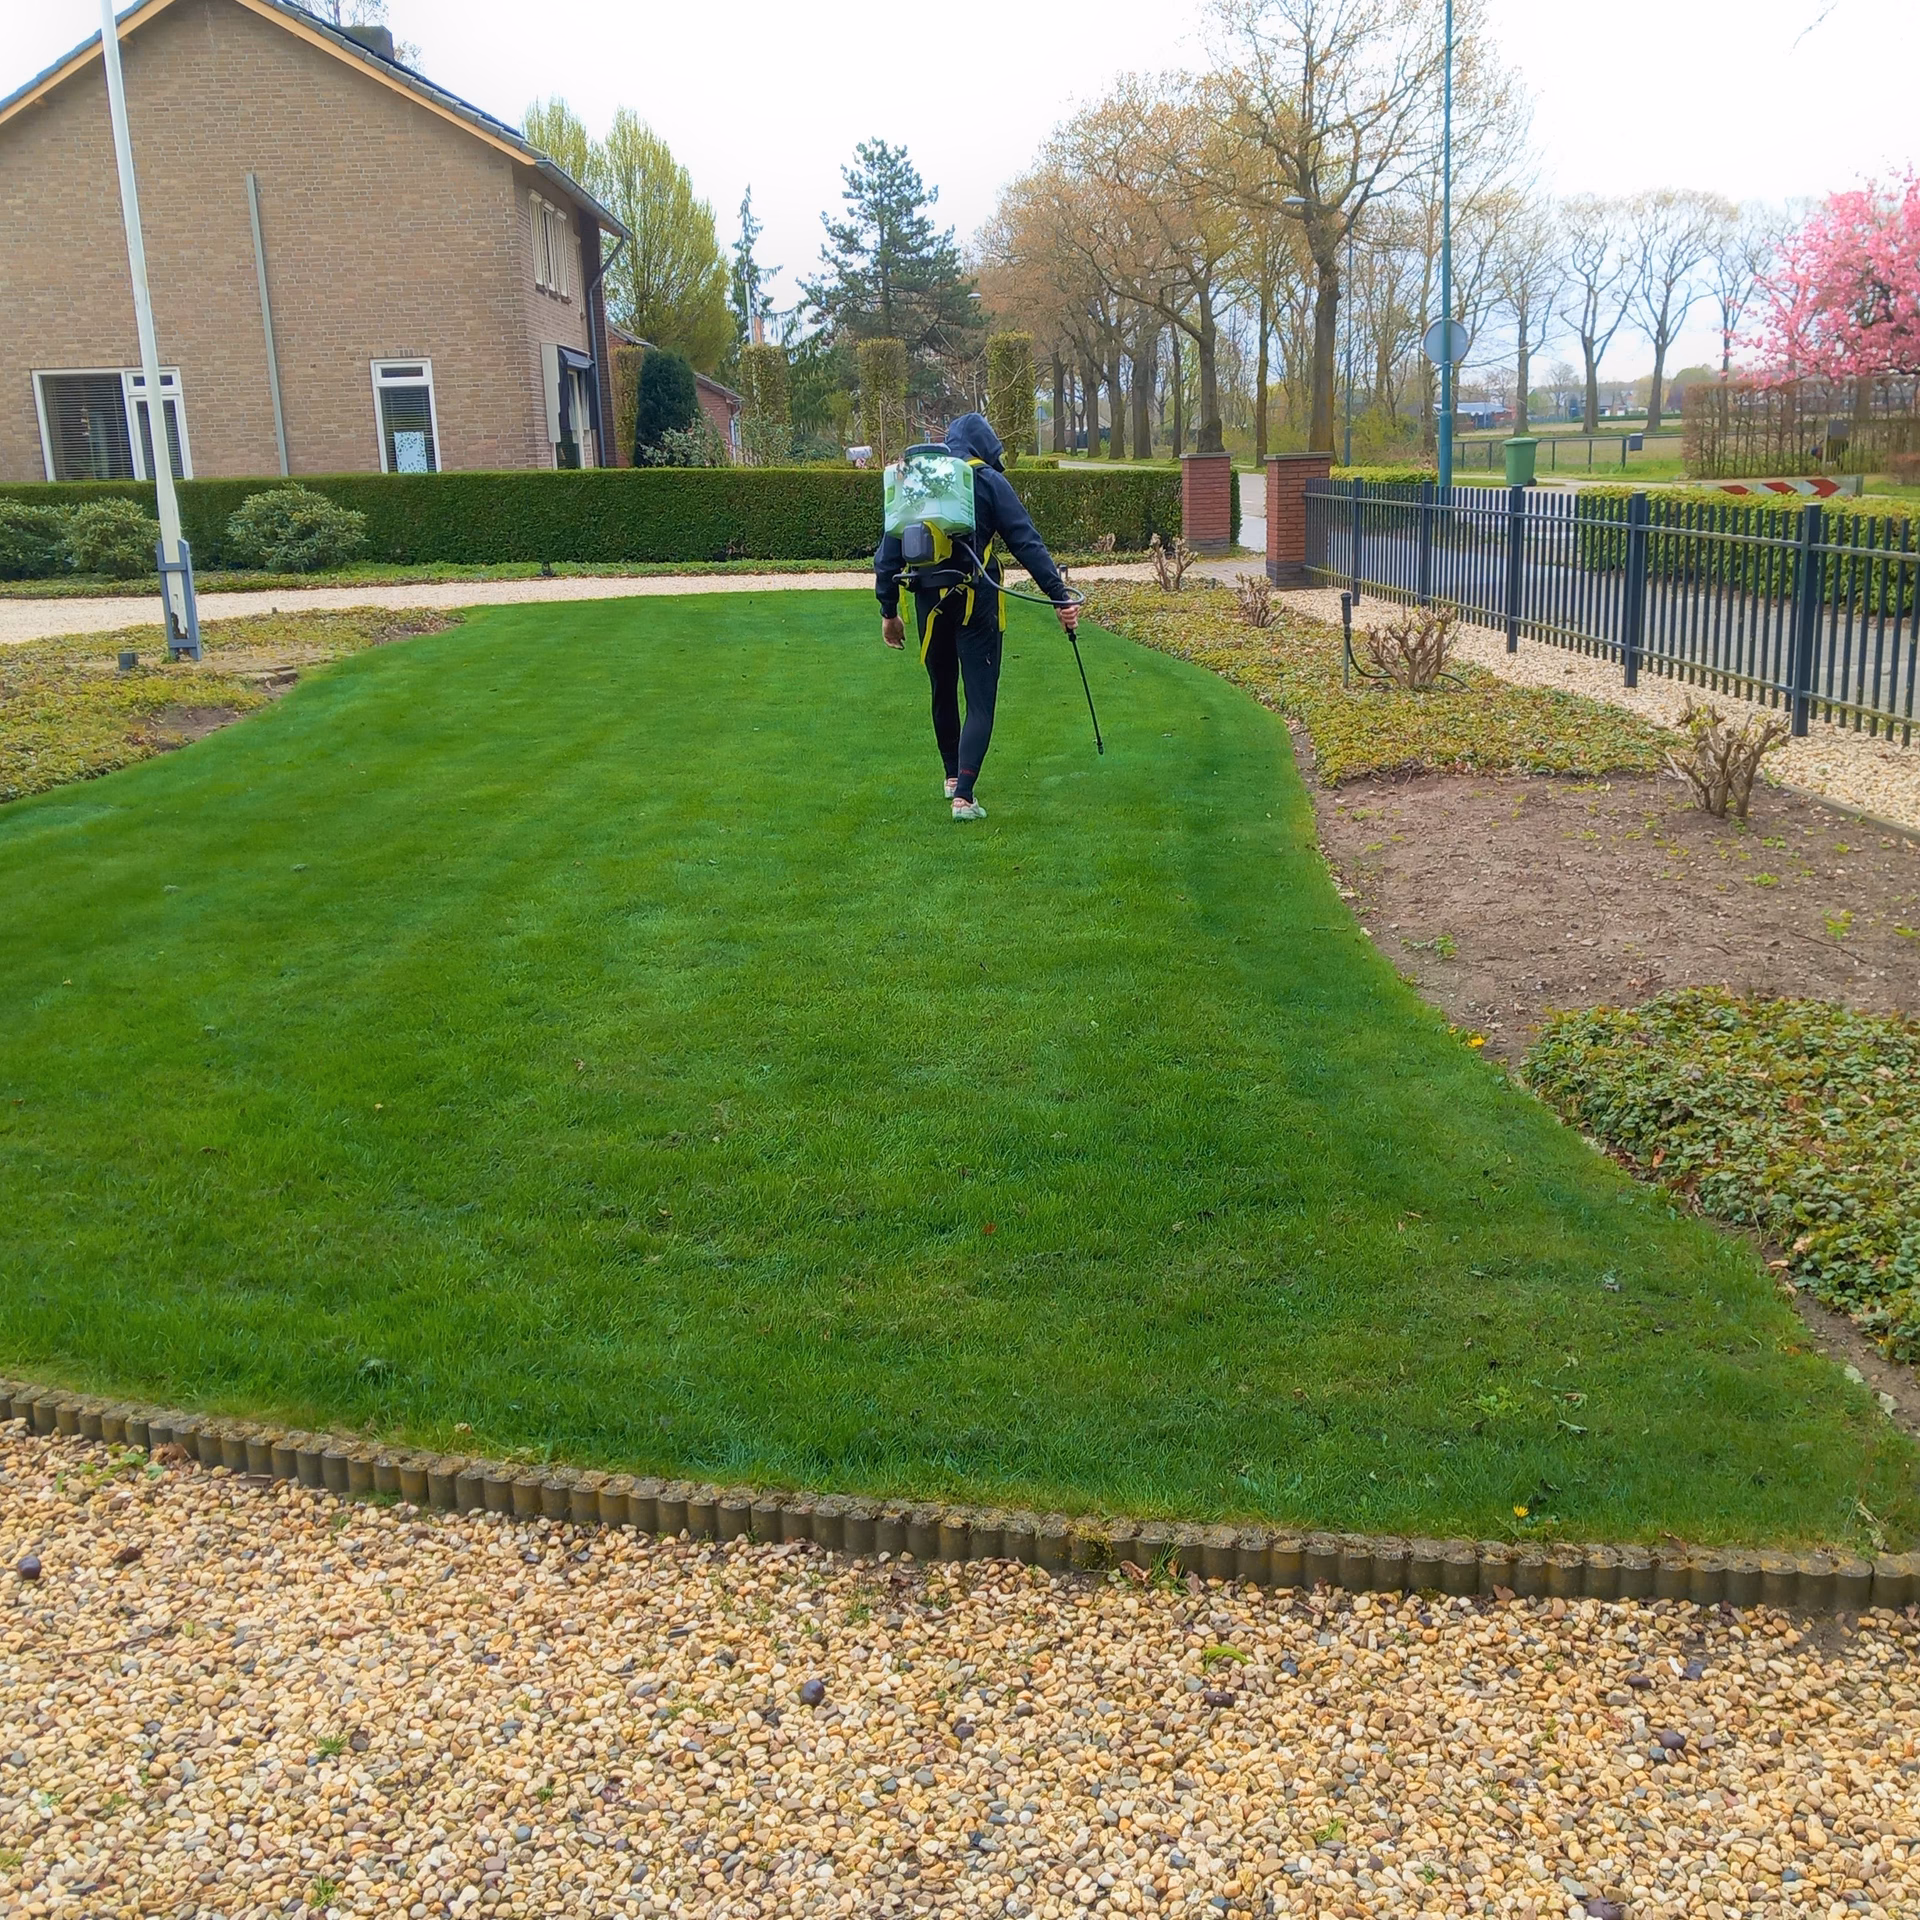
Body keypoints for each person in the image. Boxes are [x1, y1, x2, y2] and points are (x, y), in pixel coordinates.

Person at [874, 413, 1081, 821]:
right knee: (980, 698)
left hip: (927, 603)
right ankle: (964, 797)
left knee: (942, 688)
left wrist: (888, 610)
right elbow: (1026, 541)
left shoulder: (915, 481)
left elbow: (888, 552)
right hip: (976, 601)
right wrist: (1060, 598)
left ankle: (952, 776)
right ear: (985, 447)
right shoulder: (986, 480)